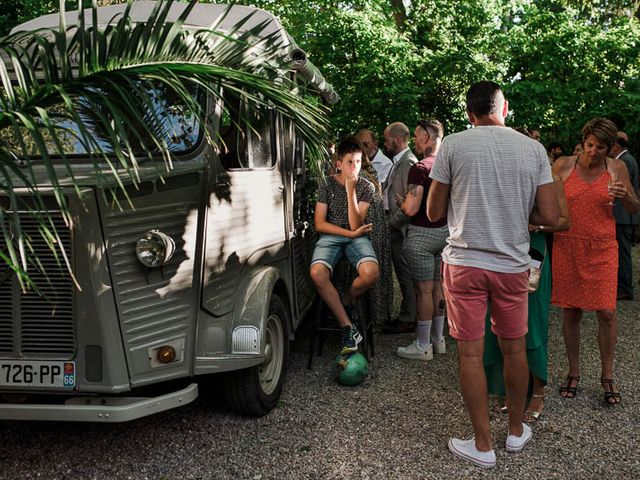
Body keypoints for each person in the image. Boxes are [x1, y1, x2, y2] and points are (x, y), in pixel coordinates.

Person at [427, 81, 559, 469]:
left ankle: (483, 445)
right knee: (514, 348)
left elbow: (434, 212)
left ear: (470, 114)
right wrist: (516, 213)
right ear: (505, 109)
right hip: (511, 266)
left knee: (469, 352)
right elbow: (551, 216)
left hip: (465, 263)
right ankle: (516, 432)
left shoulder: (453, 144)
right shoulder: (532, 149)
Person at [484, 127, 571, 420]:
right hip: (501, 250)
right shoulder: (501, 178)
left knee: (531, 321)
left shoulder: (550, 178)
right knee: (496, 321)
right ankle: (507, 390)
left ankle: (538, 392)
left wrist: (538, 226)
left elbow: (563, 221)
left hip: (534, 254)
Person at [552, 118, 639, 405]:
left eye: (600, 147)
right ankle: (574, 371)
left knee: (607, 313)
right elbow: (547, 204)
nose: (593, 152)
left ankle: (607, 374)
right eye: (589, 145)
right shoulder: (564, 166)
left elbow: (634, 207)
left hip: (603, 247)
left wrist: (626, 195)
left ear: (611, 147)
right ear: (584, 140)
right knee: (571, 312)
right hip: (568, 246)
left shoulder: (617, 168)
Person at [309, 137, 380, 353]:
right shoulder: (327, 184)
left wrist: (351, 192)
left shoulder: (366, 187)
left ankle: (346, 301)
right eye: (350, 162)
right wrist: (348, 233)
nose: (354, 167)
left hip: (357, 236)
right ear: (339, 163)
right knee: (317, 273)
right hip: (333, 236)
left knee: (371, 273)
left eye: (358, 162)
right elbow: (320, 224)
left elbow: (356, 223)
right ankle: (347, 325)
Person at [396, 119, 449, 361]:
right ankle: (439, 340)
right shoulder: (449, 164)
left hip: (421, 236)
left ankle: (423, 344)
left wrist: (402, 202)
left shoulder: (420, 168)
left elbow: (411, 208)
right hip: (445, 233)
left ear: (427, 138)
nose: (415, 141)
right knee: (439, 288)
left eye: (417, 137)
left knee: (423, 291)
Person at [382, 122, 418, 334]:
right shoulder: (400, 161)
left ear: (396, 139)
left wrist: (392, 223)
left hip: (402, 229)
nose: (385, 144)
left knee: (406, 275)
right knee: (403, 274)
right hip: (397, 226)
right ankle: (408, 314)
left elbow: (410, 203)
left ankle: (409, 317)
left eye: (387, 140)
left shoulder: (407, 164)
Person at [610, 132, 639, 300]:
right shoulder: (629, 159)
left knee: (623, 253)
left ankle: (625, 288)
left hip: (623, 215)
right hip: (624, 215)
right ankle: (623, 286)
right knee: (622, 251)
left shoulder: (624, 161)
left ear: (616, 146)